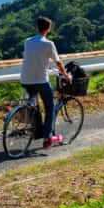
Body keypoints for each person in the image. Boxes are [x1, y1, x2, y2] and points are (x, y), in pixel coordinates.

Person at [20, 16, 72, 149]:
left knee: (33, 100)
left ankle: (31, 113)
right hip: (41, 81)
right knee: (50, 108)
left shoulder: (27, 41)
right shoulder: (49, 44)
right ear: (49, 29)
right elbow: (58, 62)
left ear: (37, 27)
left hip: (25, 79)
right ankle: (47, 137)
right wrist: (65, 75)